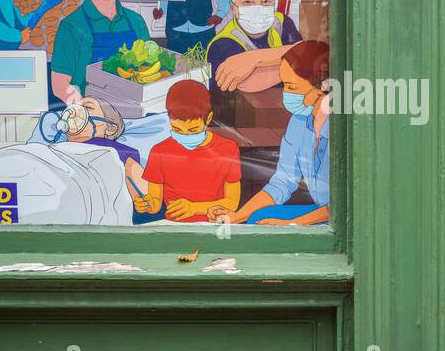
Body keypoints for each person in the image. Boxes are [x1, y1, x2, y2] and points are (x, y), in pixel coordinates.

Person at [211, 41, 329, 226]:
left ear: (322, 85)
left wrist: (292, 225)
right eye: (284, 85)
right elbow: (282, 183)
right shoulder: (299, 122)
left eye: (291, 87)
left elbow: (343, 205)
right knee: (257, 218)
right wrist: (236, 216)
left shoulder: (343, 126)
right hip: (319, 212)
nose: (286, 94)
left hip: (341, 220)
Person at [49, 0, 150, 105]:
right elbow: (59, 84)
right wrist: (81, 106)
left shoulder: (136, 22)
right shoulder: (72, 26)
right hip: (92, 118)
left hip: (134, 115)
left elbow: (148, 70)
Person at [133, 79, 242, 223]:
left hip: (214, 225)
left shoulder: (227, 148)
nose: (185, 135)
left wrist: (194, 208)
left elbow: (232, 203)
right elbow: (155, 203)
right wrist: (147, 204)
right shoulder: (160, 151)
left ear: (208, 119)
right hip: (173, 226)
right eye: (177, 129)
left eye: (193, 130)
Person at [206, 0, 302, 92]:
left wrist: (257, 58)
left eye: (266, 1)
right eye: (248, 2)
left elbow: (306, 52)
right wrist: (293, 56)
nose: (258, 8)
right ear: (234, 8)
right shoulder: (222, 45)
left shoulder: (282, 22)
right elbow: (249, 84)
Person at [52, 96, 148, 196]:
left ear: (110, 129)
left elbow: (143, 194)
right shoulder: (55, 149)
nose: (75, 111)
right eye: (74, 106)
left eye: (88, 107)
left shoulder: (120, 153)